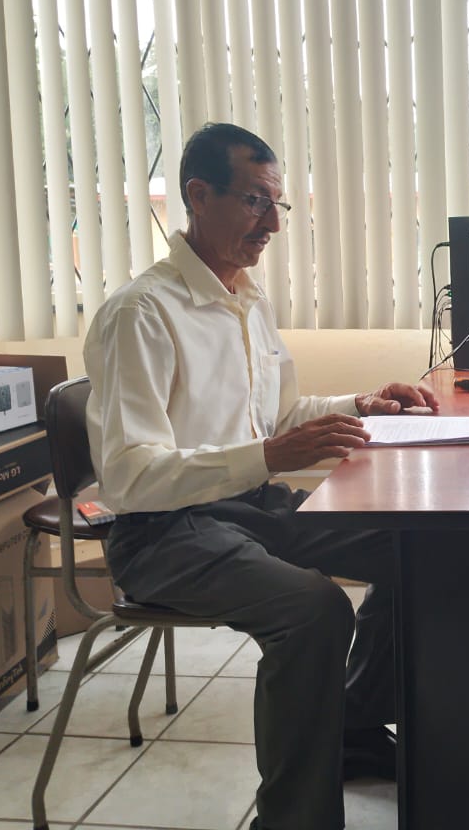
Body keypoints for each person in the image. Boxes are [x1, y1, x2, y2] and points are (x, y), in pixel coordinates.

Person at [84, 122, 439, 830]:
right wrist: (271, 457)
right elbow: (128, 477)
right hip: (160, 535)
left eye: (277, 204)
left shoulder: (245, 300)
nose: (273, 224)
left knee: (422, 551)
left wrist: (359, 405)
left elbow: (276, 416)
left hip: (246, 505)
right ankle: (293, 818)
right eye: (254, 202)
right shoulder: (141, 313)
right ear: (198, 196)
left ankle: (352, 729)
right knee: (314, 611)